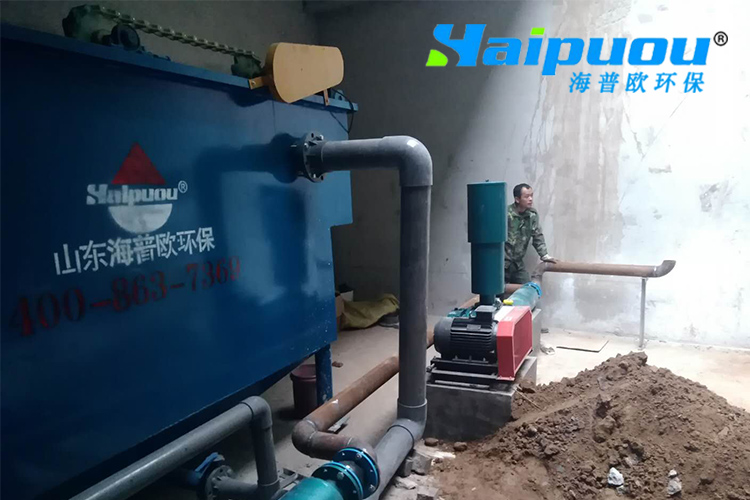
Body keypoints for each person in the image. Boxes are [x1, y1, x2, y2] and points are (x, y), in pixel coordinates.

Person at [505, 183, 556, 284]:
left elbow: (537, 235)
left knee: (528, 289)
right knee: (498, 291)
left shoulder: (532, 214)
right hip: (501, 264)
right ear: (517, 199)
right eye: (526, 196)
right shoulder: (506, 214)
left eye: (531, 195)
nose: (530, 199)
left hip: (517, 264)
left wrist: (544, 255)